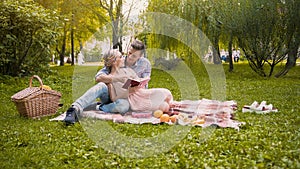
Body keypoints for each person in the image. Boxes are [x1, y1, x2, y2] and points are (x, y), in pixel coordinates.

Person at [63, 39, 151, 125]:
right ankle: (74, 109)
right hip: (110, 93)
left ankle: (98, 107)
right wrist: (116, 79)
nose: (129, 57)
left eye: (134, 56)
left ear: (140, 56)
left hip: (127, 97)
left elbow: (144, 84)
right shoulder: (119, 61)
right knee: (101, 85)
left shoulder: (145, 64)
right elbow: (99, 77)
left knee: (123, 106)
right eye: (130, 53)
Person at [104, 49, 173, 112]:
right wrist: (128, 90)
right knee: (164, 107)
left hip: (141, 92)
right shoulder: (109, 79)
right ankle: (162, 104)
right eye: (121, 57)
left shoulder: (127, 70)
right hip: (134, 100)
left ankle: (165, 103)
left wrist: (141, 81)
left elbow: (136, 79)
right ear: (114, 61)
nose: (123, 58)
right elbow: (114, 99)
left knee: (166, 92)